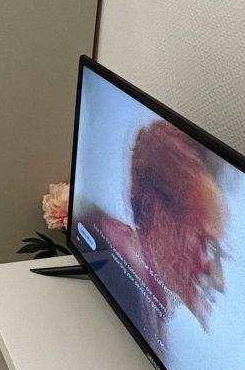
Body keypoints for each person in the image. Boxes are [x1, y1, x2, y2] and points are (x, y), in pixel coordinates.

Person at [83, 120, 227, 351]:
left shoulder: (145, 301)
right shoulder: (119, 271)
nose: (219, 281)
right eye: (205, 243)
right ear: (150, 209)